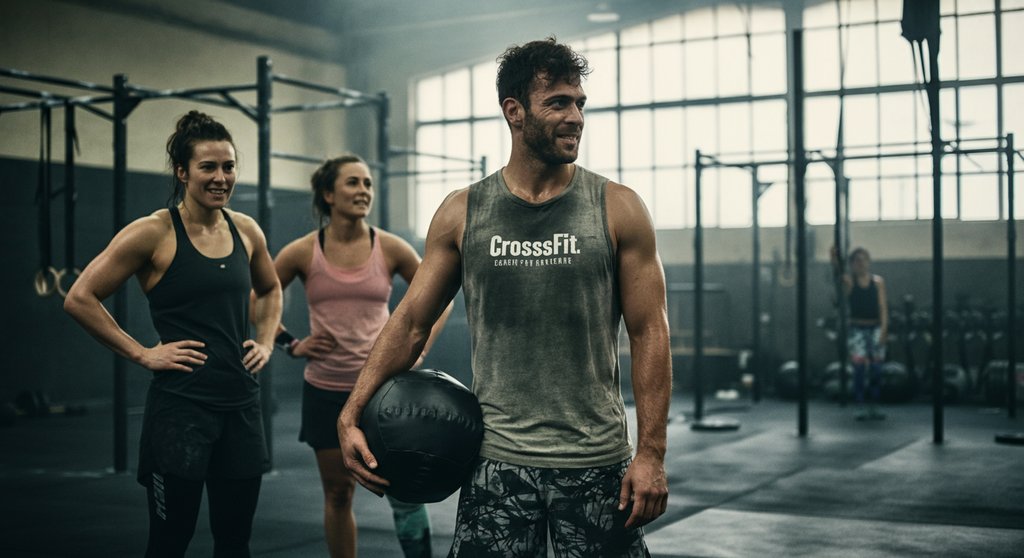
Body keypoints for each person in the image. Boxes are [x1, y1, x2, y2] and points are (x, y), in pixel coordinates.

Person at [338, 37, 671, 556]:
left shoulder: (617, 208)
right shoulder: (463, 212)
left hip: (595, 462)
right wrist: (352, 409)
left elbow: (650, 330)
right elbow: (410, 324)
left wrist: (650, 453)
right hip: (496, 463)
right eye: (558, 102)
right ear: (514, 112)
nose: (576, 116)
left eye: (580, 102)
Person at [64, 111, 282, 557]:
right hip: (181, 412)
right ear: (182, 172)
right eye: (208, 167)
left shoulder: (246, 230)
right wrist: (143, 354)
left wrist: (265, 338)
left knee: (235, 542)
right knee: (169, 541)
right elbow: (80, 297)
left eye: (229, 166)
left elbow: (272, 287)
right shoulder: (153, 232)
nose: (221, 177)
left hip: (241, 407)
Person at [271, 154, 451, 558]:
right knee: (338, 492)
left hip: (385, 392)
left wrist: (419, 345)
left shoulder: (389, 247)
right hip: (325, 390)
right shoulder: (302, 252)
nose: (363, 191)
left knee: (404, 493)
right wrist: (290, 344)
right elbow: (260, 296)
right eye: (353, 183)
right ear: (328, 194)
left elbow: (443, 294)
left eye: (368, 184)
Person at [837, 246, 889, 420]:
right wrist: (834, 259)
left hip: (875, 328)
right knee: (859, 369)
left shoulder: (878, 282)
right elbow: (838, 278)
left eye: (863, 259)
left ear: (868, 262)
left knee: (876, 369)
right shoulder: (849, 282)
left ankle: (874, 404)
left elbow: (883, 308)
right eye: (856, 260)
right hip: (857, 330)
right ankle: (859, 404)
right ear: (852, 264)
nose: (860, 263)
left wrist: (883, 330)